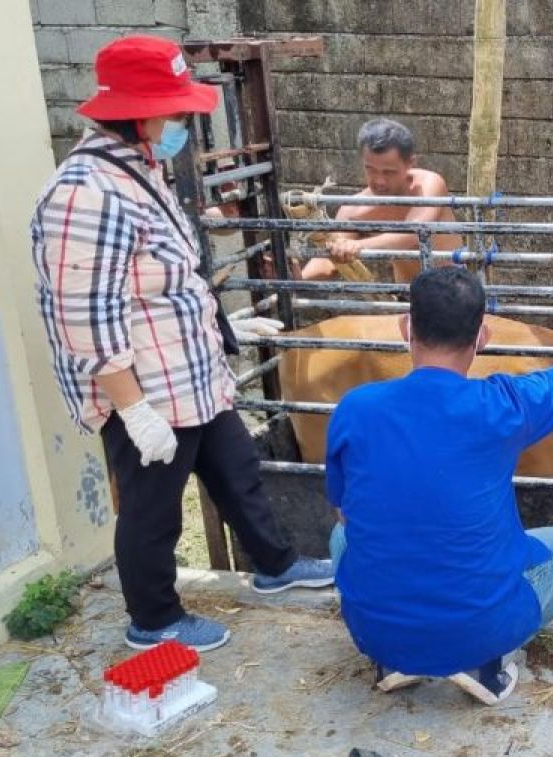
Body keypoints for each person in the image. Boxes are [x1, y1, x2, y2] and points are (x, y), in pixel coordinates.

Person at [30, 35, 334, 652]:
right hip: (148, 389)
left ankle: (276, 564)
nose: (183, 123)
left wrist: (222, 329)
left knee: (238, 471)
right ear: (137, 113)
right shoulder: (86, 193)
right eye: (173, 112)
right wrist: (132, 408)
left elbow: (166, 281)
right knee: (152, 511)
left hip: (191, 374)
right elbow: (82, 314)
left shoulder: (139, 170)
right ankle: (155, 619)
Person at [324, 263, 553, 704]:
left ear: (407, 327)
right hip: (479, 631)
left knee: (340, 536)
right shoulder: (503, 405)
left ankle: (398, 657)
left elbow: (345, 510)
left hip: (374, 635)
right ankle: (485, 664)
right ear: (482, 337)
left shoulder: (355, 408)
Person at [300, 118, 462, 282]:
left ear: (410, 163)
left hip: (456, 290)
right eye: (370, 169)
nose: (379, 181)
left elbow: (414, 233)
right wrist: (295, 278)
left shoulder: (429, 184)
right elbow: (331, 259)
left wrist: (358, 246)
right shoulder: (353, 210)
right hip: (410, 298)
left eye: (389, 172)